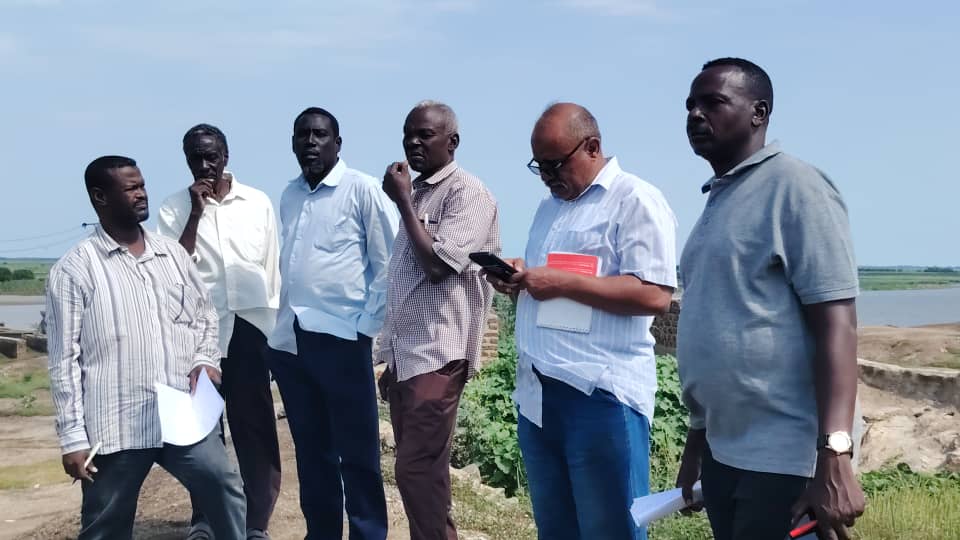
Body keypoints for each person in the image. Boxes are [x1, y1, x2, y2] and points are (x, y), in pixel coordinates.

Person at [675, 57, 866, 540]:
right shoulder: (721, 196)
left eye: (713, 102)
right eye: (690, 105)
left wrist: (835, 452)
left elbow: (837, 324)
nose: (695, 114)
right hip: (725, 452)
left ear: (758, 113)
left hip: (785, 459)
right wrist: (698, 441)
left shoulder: (796, 187)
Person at [486, 102, 677, 540]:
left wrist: (562, 282)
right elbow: (555, 279)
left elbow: (654, 294)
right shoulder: (549, 208)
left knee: (612, 530)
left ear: (592, 147)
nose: (547, 176)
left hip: (600, 394)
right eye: (539, 166)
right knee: (557, 529)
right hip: (539, 393)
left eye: (555, 164)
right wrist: (522, 276)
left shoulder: (634, 200)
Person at [46, 155, 246, 540]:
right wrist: (72, 438)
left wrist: (205, 359)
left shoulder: (173, 255)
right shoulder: (74, 269)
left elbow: (205, 315)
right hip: (116, 422)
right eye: (131, 188)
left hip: (180, 412)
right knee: (106, 524)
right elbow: (63, 361)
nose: (141, 194)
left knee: (224, 485)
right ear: (100, 197)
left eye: (142, 185)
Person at [268, 107, 397, 539]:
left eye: (320, 134)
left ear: (337, 143)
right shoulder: (289, 195)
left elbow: (389, 263)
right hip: (291, 341)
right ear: (292, 142)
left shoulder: (361, 189)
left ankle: (368, 534)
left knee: (357, 453)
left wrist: (365, 328)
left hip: (343, 339)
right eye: (302, 134)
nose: (310, 142)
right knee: (312, 452)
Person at [378, 100, 500, 540]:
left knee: (416, 469)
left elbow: (437, 266)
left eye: (425, 135)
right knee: (421, 473)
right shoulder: (420, 192)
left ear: (452, 142)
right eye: (408, 134)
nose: (413, 142)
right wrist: (391, 358)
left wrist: (403, 203)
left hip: (440, 353)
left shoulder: (469, 193)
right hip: (409, 356)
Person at [157, 124, 282, 540]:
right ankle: (206, 520)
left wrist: (271, 330)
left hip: (249, 328)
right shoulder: (173, 208)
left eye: (211, 156)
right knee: (203, 432)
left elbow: (271, 268)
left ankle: (256, 522)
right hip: (197, 334)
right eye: (195, 157)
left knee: (255, 428)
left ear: (226, 155)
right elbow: (170, 269)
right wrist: (195, 212)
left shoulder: (257, 202)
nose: (204, 165)